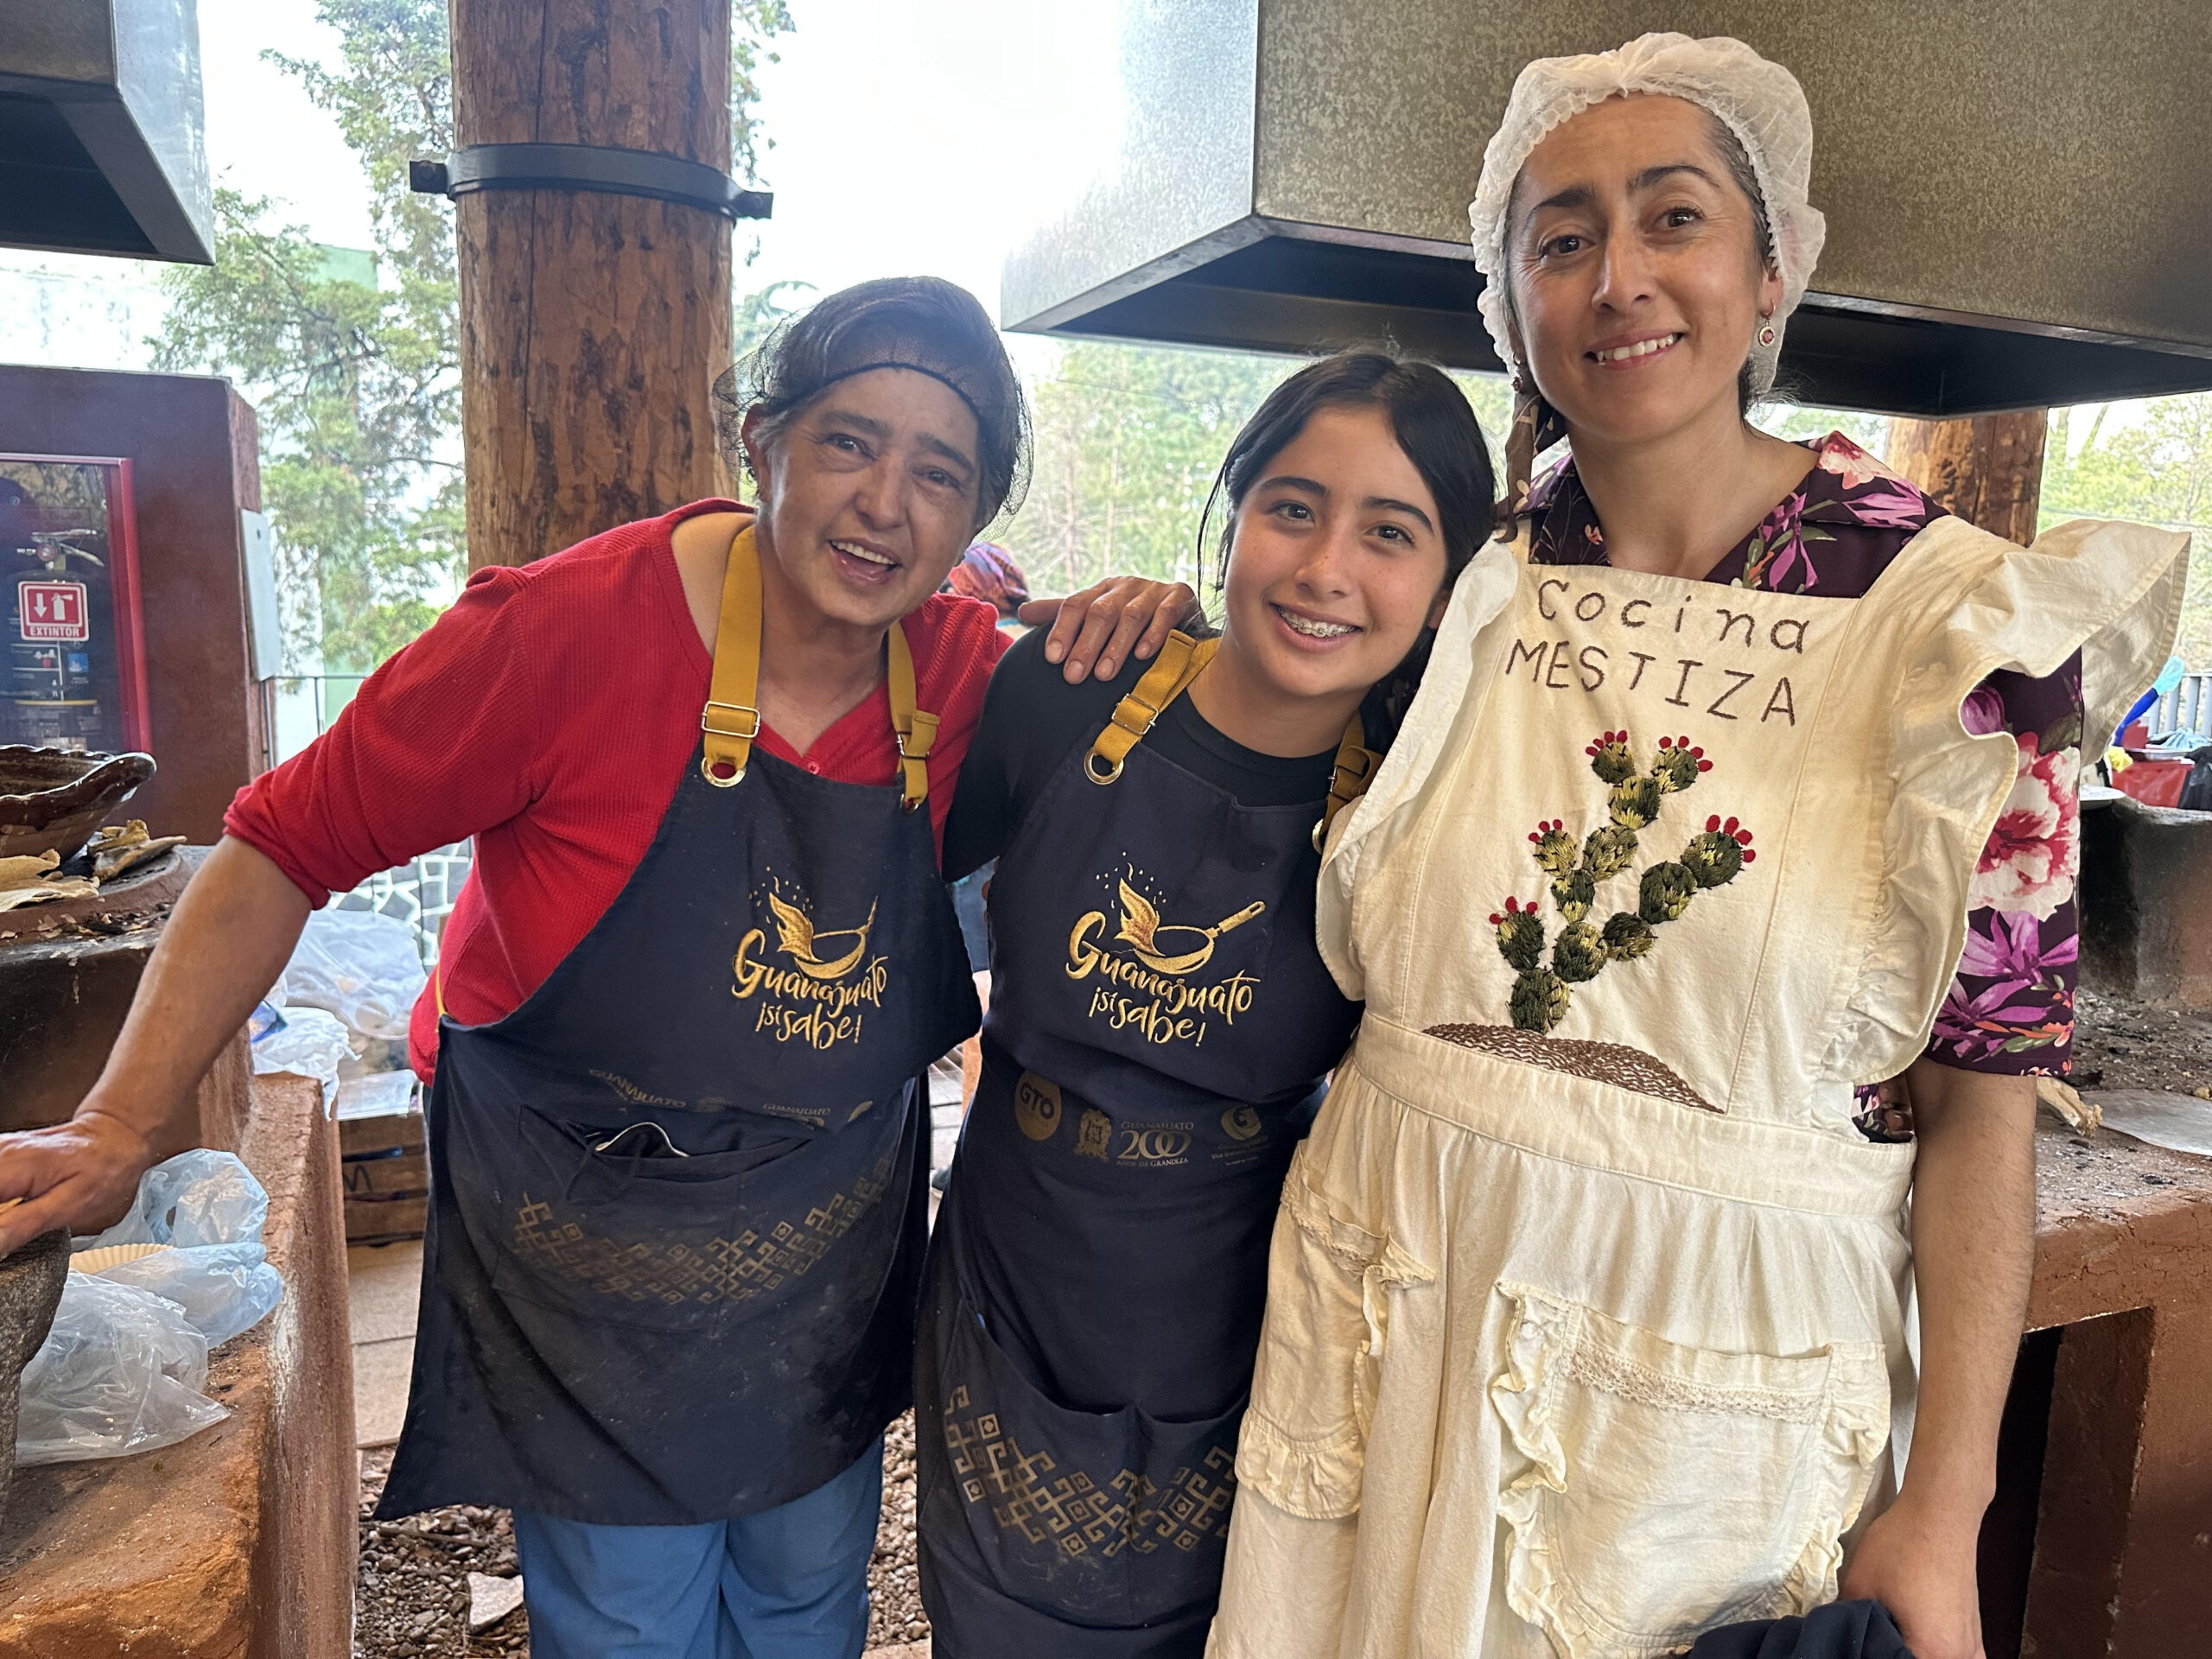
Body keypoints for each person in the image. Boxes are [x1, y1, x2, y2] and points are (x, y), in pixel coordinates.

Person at [0, 276, 1196, 1659]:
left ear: (976, 518)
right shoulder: (563, 633)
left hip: (828, 1235)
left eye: (941, 472)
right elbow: (278, 844)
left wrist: (1163, 619)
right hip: (594, 1222)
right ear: (766, 445)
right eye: (850, 443)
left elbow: (1221, 713)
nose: (886, 504)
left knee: (810, 1584)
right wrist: (119, 1122)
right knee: (632, 1612)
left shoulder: (971, 673)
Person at [1206, 35, 2189, 1659]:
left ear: (1772, 265)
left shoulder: (1956, 634)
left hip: (1712, 1385)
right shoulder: (1466, 584)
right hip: (1384, 1302)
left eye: (1676, 218)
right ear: (1508, 299)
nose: (1619, 279)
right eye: (1562, 237)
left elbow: (1982, 1118)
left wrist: (1943, 1513)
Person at [914, 351, 1497, 1657]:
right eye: (1292, 507)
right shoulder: (1067, 689)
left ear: (1450, 578)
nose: (1325, 567)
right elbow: (896, 886)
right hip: (1018, 1252)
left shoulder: (1425, 795)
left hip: (1250, 1293)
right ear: (1234, 512)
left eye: (1390, 532)